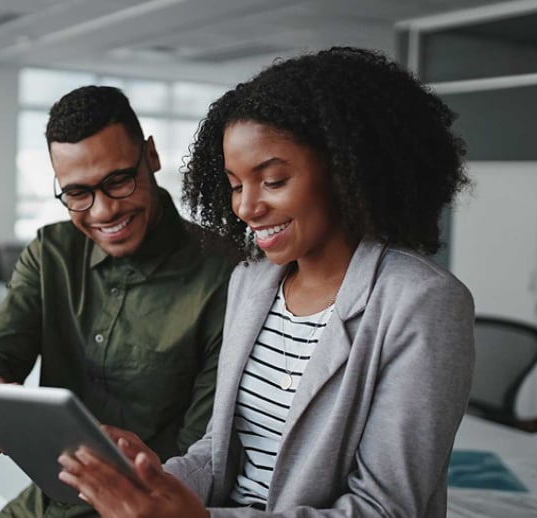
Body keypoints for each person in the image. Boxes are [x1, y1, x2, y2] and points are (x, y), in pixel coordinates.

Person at [57, 47, 475, 517]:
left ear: (345, 170)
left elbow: (386, 509)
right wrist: (152, 483)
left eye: (273, 181)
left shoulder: (422, 302)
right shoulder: (250, 282)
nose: (245, 207)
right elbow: (220, 452)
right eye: (236, 185)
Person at [0, 85, 235, 517]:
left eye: (118, 181)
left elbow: (203, 457)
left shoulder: (225, 276)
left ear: (151, 156)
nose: (103, 211)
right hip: (48, 497)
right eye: (77, 193)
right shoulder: (50, 252)